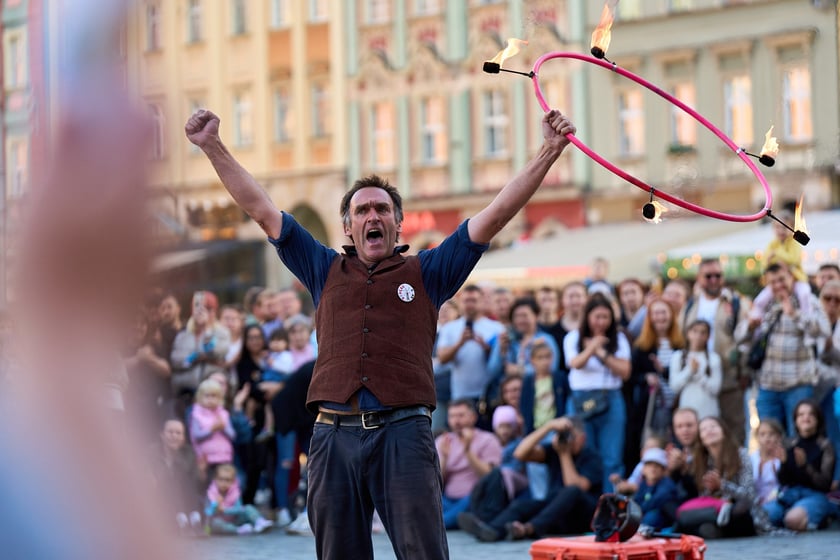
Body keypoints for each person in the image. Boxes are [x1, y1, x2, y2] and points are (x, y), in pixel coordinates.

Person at [185, 106, 577, 560]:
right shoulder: (322, 267)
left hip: (404, 433)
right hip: (332, 437)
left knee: (424, 553)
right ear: (348, 227)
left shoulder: (429, 271)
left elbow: (495, 215)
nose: (373, 215)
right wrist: (212, 145)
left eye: (382, 208)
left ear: (397, 223)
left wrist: (548, 152)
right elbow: (260, 208)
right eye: (362, 209)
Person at [457, 416, 602, 541]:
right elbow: (520, 454)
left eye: (571, 436)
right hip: (554, 513)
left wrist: (564, 455)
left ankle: (530, 529)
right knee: (521, 505)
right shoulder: (555, 450)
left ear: (582, 438)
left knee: (571, 491)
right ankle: (491, 530)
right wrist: (548, 427)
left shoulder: (591, 458)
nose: (566, 441)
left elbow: (574, 486)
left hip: (580, 516)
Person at [737, 263, 829, 436]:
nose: (778, 285)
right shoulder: (762, 304)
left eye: (782, 279)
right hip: (767, 387)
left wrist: (795, 315)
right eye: (773, 282)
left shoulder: (807, 301)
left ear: (792, 277)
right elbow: (739, 337)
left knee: (799, 440)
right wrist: (749, 327)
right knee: (769, 440)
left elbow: (823, 330)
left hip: (798, 385)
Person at [564, 294, 632, 492]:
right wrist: (591, 346)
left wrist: (602, 352)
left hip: (610, 398)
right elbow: (575, 363)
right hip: (580, 400)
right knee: (586, 454)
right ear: (587, 317)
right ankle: (588, 507)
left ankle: (610, 505)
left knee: (612, 456)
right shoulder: (573, 337)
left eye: (605, 317)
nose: (601, 322)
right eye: (597, 317)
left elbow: (625, 371)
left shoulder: (618, 338)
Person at [683, 258, 750, 445]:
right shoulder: (691, 305)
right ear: (699, 278)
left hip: (729, 378)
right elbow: (682, 338)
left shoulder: (735, 303)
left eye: (718, 275)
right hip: (698, 380)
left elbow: (746, 340)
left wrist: (743, 372)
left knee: (734, 431)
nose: (713, 280)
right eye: (708, 276)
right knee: (702, 432)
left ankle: (737, 473)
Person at [763, 399, 835, 531]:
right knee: (764, 515)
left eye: (810, 414)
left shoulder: (825, 446)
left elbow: (824, 484)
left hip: (814, 495)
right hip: (790, 495)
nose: (805, 418)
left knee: (792, 519)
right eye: (801, 415)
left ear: (818, 419)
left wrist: (805, 466)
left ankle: (822, 517)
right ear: (795, 420)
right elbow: (784, 481)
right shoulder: (790, 444)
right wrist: (783, 464)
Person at [435, 399, 503, 529]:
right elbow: (437, 483)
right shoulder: (443, 441)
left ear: (473, 417)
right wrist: (443, 457)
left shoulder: (488, 439)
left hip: (473, 499)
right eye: (452, 416)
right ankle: (450, 520)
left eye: (461, 415)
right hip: (448, 500)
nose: (456, 421)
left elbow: (490, 476)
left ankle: (437, 524)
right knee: (428, 498)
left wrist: (468, 451)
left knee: (469, 501)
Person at [435, 285, 505, 404]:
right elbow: (442, 358)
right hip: (460, 395)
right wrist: (459, 343)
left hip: (490, 394)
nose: (470, 304)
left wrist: (487, 349)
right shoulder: (449, 328)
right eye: (466, 301)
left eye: (474, 300)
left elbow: (503, 361)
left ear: (482, 301)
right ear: (460, 303)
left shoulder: (497, 328)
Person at [148, 419, 205, 537]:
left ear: (183, 437)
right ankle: (183, 521)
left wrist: (201, 471)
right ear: (162, 435)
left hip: (185, 497)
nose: (174, 436)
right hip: (159, 496)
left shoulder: (189, 452)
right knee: (169, 481)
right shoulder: (151, 452)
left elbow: (194, 481)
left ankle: (193, 520)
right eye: (170, 432)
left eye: (178, 433)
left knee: (184, 479)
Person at [669, 319, 723, 421]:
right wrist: (689, 371)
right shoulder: (678, 357)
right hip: (686, 412)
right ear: (688, 333)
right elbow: (674, 386)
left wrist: (698, 373)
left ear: (708, 336)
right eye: (695, 331)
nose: (698, 336)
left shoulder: (714, 358)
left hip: (709, 413)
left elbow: (715, 388)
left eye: (703, 332)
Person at [204, 464, 274, 535]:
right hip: (222, 522)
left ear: (233, 481)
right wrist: (215, 507)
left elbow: (239, 509)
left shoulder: (235, 492)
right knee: (216, 523)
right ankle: (238, 530)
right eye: (221, 479)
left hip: (235, 519)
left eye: (227, 480)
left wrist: (224, 510)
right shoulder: (211, 493)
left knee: (248, 508)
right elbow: (207, 512)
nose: (223, 483)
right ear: (215, 479)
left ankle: (259, 522)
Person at [189, 378, 236, 482]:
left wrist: (223, 428)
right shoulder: (196, 414)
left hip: (224, 458)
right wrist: (212, 430)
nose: (210, 399)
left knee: (223, 485)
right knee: (208, 485)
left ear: (220, 398)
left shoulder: (223, 414)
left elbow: (232, 435)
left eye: (214, 396)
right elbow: (196, 436)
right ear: (200, 397)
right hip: (206, 459)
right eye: (207, 396)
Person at [633, 447, 680, 531]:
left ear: (663, 470)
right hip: (646, 519)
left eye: (657, 466)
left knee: (652, 516)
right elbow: (637, 502)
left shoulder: (667, 483)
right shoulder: (643, 484)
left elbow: (659, 499)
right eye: (649, 465)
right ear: (643, 469)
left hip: (664, 523)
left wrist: (642, 510)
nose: (653, 469)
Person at [750, 418, 784, 505]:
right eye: (762, 434)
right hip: (754, 502)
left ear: (779, 437)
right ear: (757, 437)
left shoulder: (782, 458)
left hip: (777, 500)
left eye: (771, 434)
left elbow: (784, 487)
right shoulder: (751, 458)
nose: (767, 438)